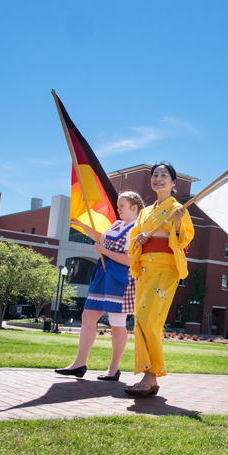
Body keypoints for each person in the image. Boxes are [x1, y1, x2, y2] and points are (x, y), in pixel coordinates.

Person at [55, 192, 144, 380]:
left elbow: (129, 260)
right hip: (103, 274)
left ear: (134, 208)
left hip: (120, 279)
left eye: (122, 206)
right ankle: (79, 363)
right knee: (87, 315)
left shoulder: (136, 230)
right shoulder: (118, 225)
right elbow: (101, 238)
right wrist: (80, 225)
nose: (118, 209)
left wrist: (102, 250)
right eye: (118, 205)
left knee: (117, 323)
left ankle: (113, 369)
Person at [125, 162, 194, 397]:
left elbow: (184, 240)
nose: (158, 178)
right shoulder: (145, 211)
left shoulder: (178, 208)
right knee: (141, 319)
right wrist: (139, 239)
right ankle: (150, 375)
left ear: (174, 183)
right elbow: (134, 239)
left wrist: (176, 222)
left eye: (164, 175)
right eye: (155, 175)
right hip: (145, 268)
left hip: (165, 268)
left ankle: (150, 375)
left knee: (148, 319)